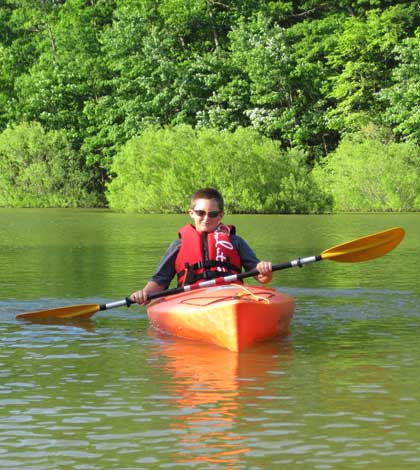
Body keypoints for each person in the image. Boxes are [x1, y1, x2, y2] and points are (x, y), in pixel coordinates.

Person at [130, 188, 273, 304]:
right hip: (190, 299)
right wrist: (144, 294)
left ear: (221, 215)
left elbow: (262, 277)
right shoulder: (178, 245)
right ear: (191, 213)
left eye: (213, 214)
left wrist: (263, 269)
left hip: (230, 295)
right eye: (200, 213)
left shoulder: (235, 241)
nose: (206, 218)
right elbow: (160, 281)